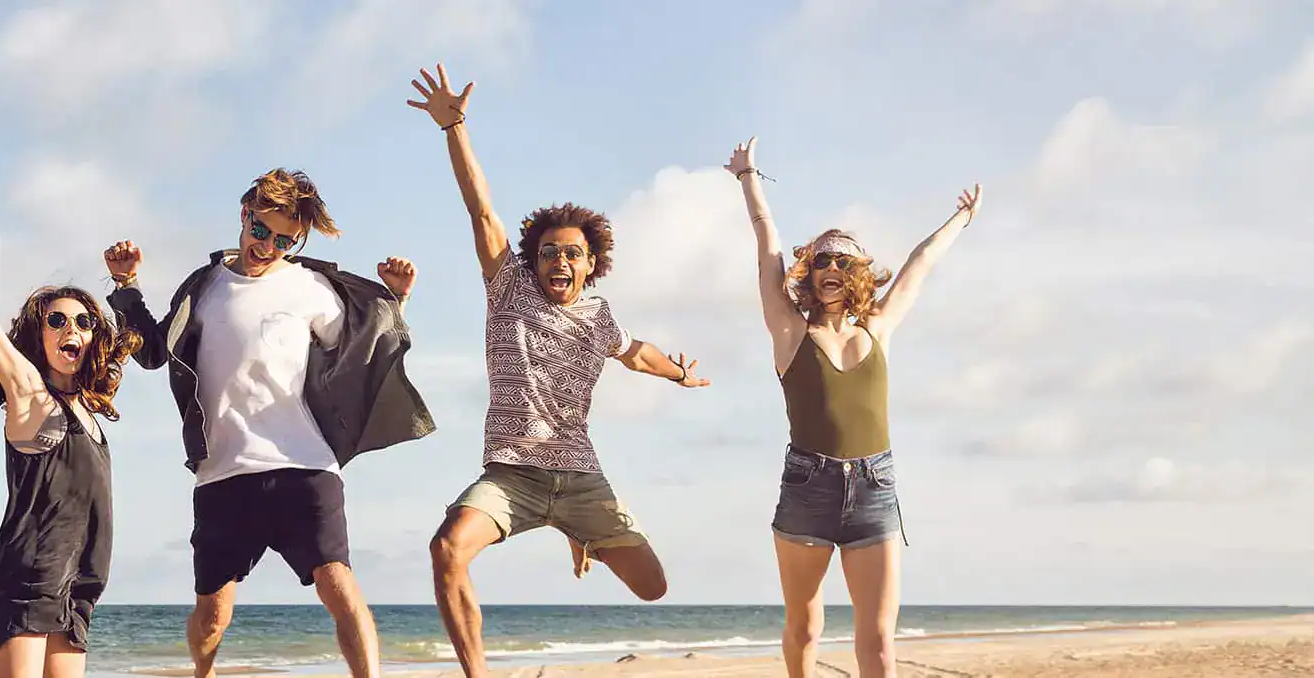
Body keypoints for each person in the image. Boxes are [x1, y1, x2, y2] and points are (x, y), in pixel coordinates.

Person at [404, 64, 712, 678]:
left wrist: (675, 375)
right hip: (510, 477)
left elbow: (635, 350)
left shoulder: (600, 316)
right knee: (446, 550)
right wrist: (454, 127)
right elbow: (481, 210)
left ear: (591, 262)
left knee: (653, 587)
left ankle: (580, 531)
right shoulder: (508, 289)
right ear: (533, 260)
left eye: (572, 252)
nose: (559, 260)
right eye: (549, 252)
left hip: (581, 482)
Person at [102, 168, 433, 678]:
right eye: (261, 231)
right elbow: (151, 351)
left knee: (339, 585)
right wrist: (126, 286)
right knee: (212, 616)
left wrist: (394, 301)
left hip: (305, 464)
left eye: (284, 239)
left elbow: (365, 350)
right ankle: (203, 674)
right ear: (244, 215)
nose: (269, 246)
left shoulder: (312, 288)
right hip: (222, 472)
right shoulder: (206, 286)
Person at [725, 137, 980, 678]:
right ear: (810, 275)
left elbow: (921, 263)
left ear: (858, 273)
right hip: (808, 488)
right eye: (821, 261)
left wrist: (962, 218)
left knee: (880, 642)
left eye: (842, 260)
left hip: (874, 489)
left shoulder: (879, 327)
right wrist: (748, 177)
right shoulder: (791, 331)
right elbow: (768, 244)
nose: (830, 268)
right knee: (805, 627)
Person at [0, 158, 139, 678]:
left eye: (83, 323)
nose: (72, 330)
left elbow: (135, 341)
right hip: (27, 580)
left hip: (79, 586)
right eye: (57, 320)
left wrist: (126, 282)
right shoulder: (31, 396)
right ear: (39, 336)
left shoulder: (91, 410)